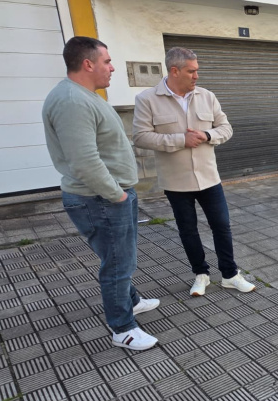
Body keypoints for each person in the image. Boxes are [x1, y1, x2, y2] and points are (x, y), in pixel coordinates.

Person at [42, 37, 159, 350]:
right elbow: (84, 161)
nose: (112, 67)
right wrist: (115, 194)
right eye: (107, 61)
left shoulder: (85, 96)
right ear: (88, 64)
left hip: (108, 197)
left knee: (119, 258)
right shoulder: (71, 101)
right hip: (102, 199)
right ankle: (122, 328)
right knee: (118, 264)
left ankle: (130, 301)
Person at [133, 47, 255, 297]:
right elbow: (141, 137)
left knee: (221, 225)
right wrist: (180, 140)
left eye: (197, 70)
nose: (197, 75)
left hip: (209, 177)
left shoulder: (207, 96)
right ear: (174, 71)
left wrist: (208, 135)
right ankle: (201, 274)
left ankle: (230, 275)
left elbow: (226, 128)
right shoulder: (147, 99)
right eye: (192, 71)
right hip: (176, 182)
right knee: (187, 229)